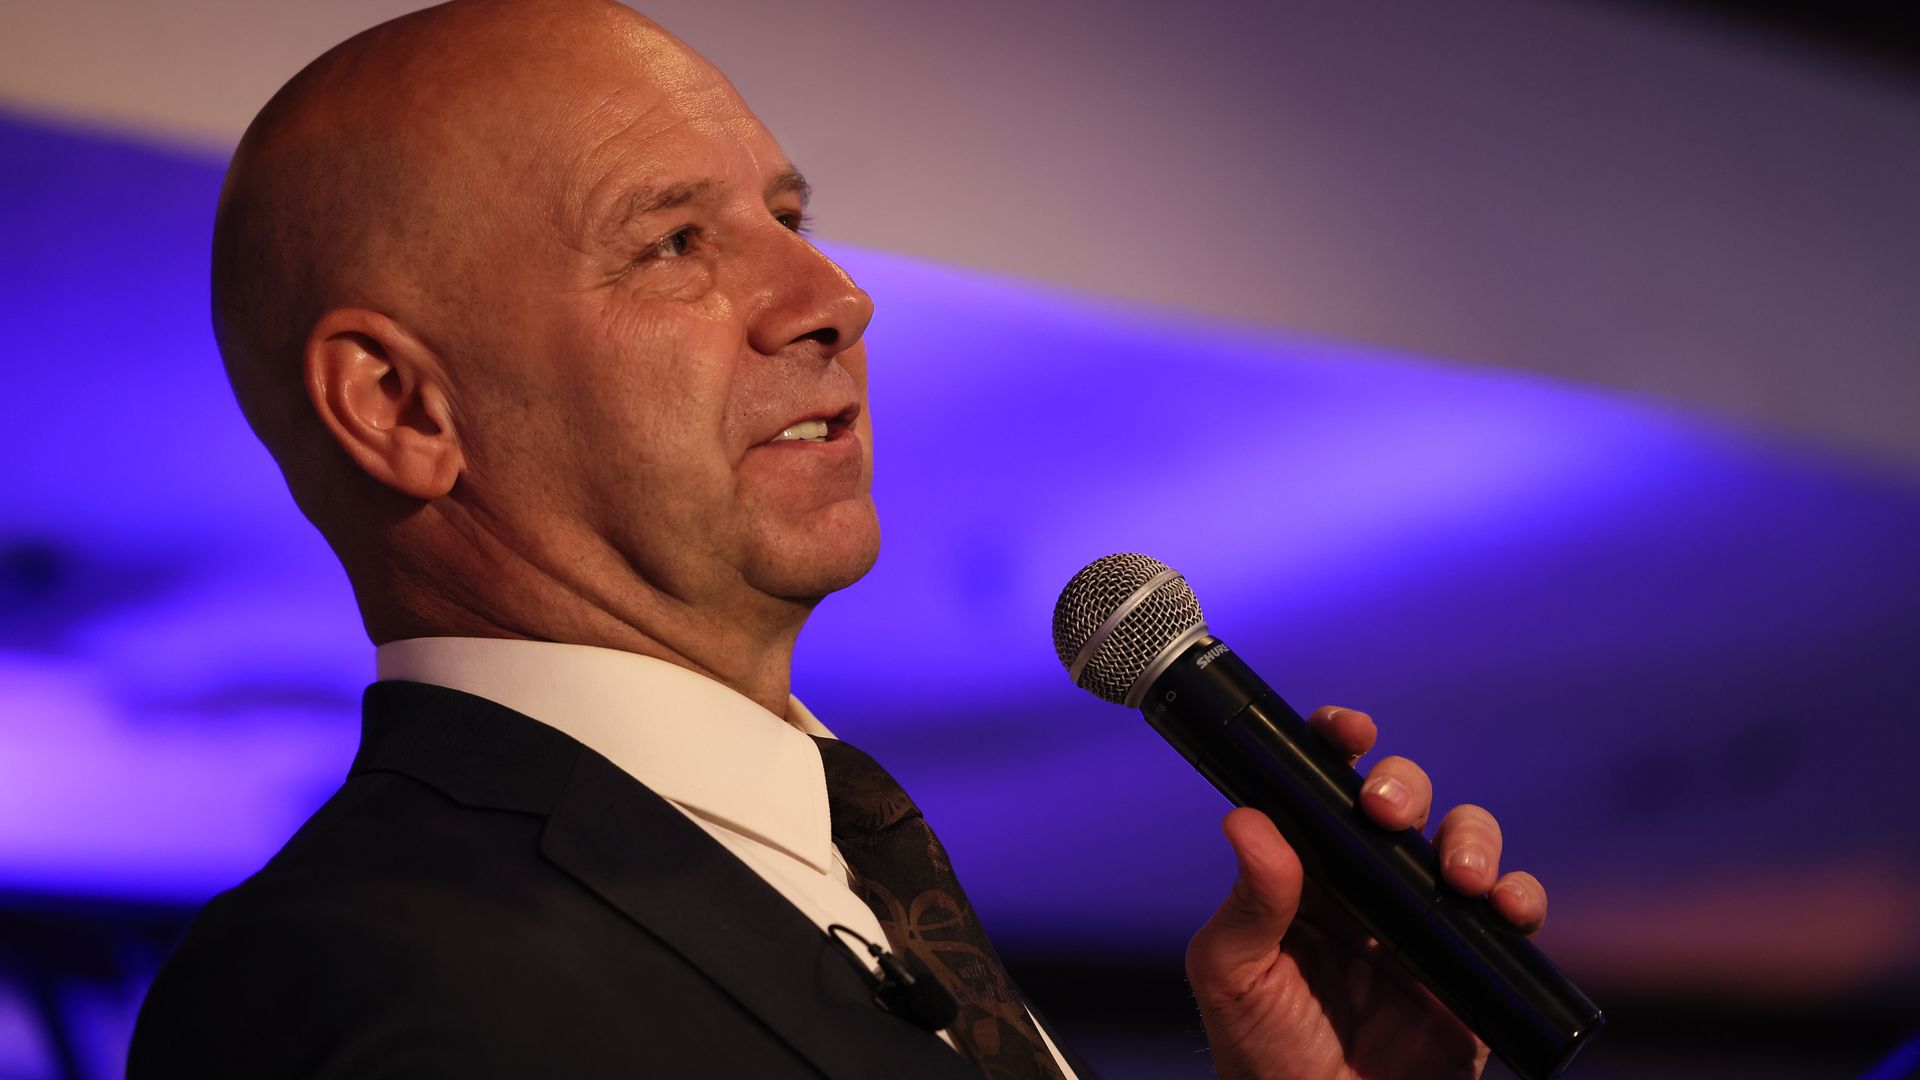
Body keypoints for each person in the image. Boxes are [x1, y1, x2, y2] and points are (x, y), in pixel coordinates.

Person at [128, 1, 1550, 1077]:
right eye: (674, 241)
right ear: (400, 406)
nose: (834, 293)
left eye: (790, 215)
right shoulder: (351, 982)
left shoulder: (840, 870)